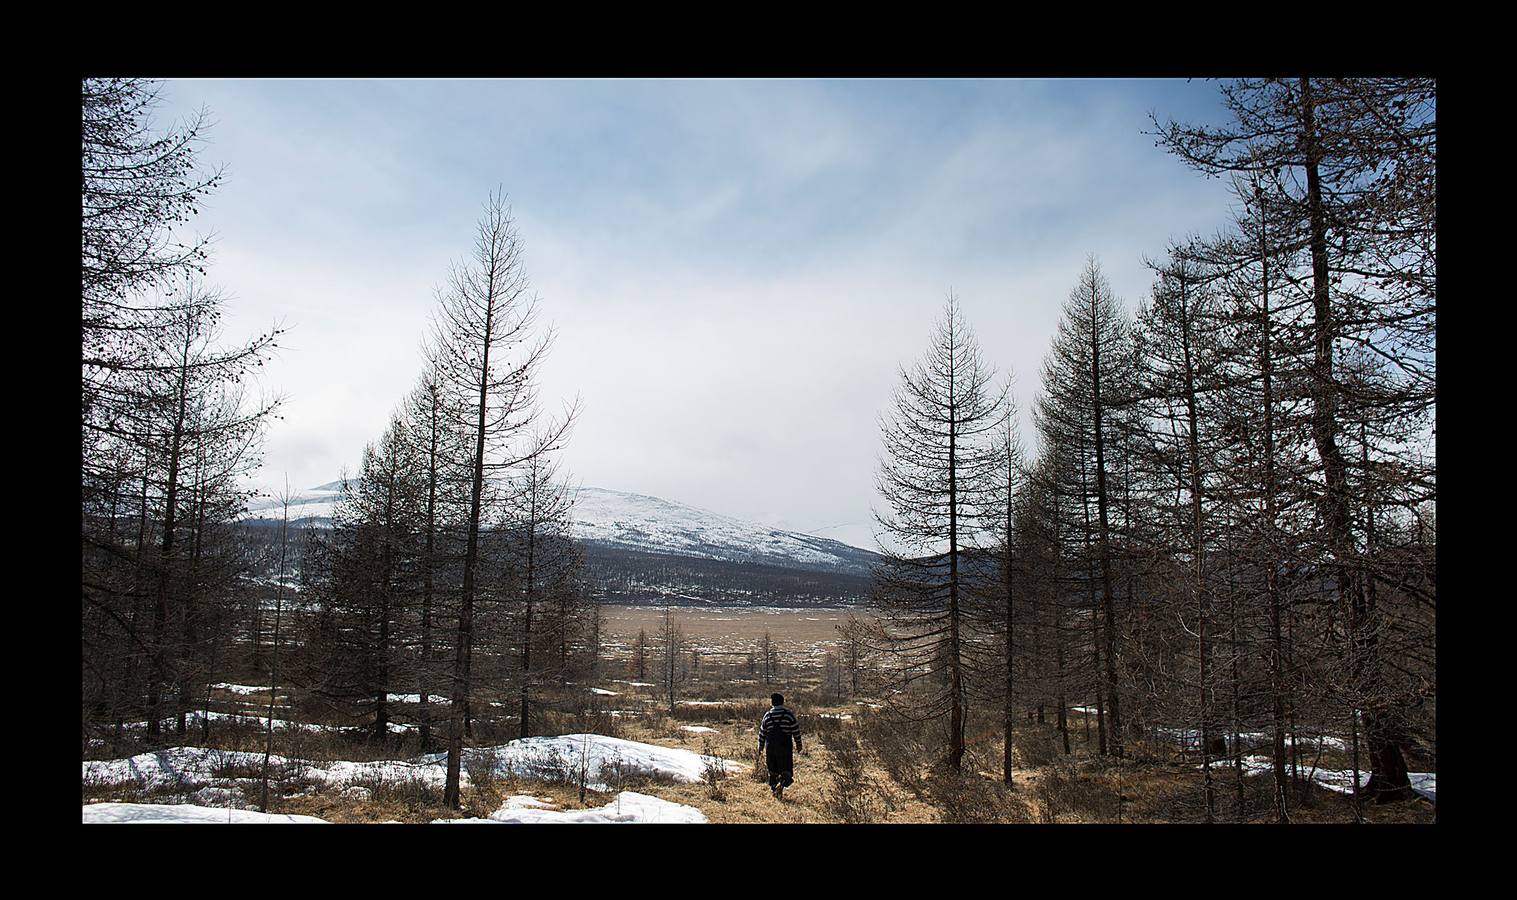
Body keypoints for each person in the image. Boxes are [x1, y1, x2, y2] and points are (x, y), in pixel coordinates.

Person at [757, 692, 803, 800]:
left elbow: (762, 732)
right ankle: (781, 785)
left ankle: (774, 789)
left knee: (772, 770)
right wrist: (799, 744)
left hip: (771, 747)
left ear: (772, 703)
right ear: (782, 702)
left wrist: (760, 747)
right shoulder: (788, 715)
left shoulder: (767, 716)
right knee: (785, 769)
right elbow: (796, 730)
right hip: (785, 747)